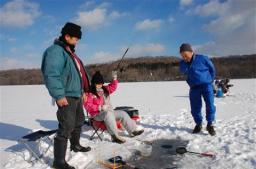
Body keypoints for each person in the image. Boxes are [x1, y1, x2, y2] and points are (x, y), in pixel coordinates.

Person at [41, 22, 91, 169]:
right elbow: (51, 74)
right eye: (75, 39)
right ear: (67, 36)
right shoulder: (56, 51)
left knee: (79, 120)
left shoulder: (70, 52)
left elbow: (79, 75)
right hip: (66, 95)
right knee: (66, 125)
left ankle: (75, 145)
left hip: (76, 94)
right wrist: (58, 95)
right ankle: (59, 162)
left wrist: (83, 91)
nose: (77, 42)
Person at [84, 71, 144, 144]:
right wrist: (100, 107)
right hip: (97, 115)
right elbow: (87, 106)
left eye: (101, 83)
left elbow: (113, 87)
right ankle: (114, 136)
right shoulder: (89, 93)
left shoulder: (105, 89)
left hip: (109, 112)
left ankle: (133, 131)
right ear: (94, 83)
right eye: (97, 83)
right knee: (108, 114)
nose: (99, 85)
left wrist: (114, 79)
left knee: (122, 113)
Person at [179, 43, 216, 136]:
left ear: (191, 52)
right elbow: (183, 72)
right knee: (195, 107)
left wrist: (210, 80)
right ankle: (198, 124)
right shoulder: (183, 62)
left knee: (210, 105)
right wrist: (185, 63)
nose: (184, 57)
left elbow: (212, 69)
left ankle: (210, 124)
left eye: (186, 55)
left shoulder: (203, 58)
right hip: (194, 87)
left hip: (206, 85)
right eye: (182, 56)